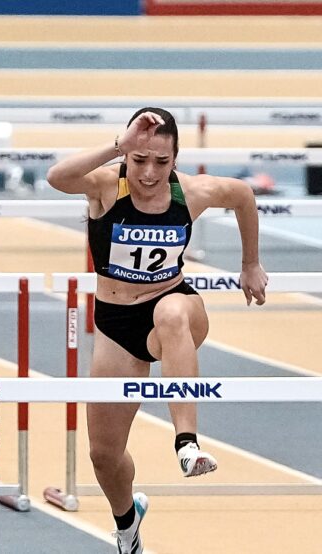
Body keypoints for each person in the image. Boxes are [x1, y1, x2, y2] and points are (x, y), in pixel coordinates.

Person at [47, 107, 268, 553]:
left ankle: (187, 442)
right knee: (104, 457)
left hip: (177, 307)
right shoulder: (107, 185)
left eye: (161, 163)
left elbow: (244, 195)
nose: (149, 173)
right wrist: (117, 147)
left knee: (170, 313)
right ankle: (128, 525)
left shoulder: (193, 192)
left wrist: (250, 263)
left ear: (176, 160)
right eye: (140, 160)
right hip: (114, 325)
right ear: (128, 155)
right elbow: (56, 177)